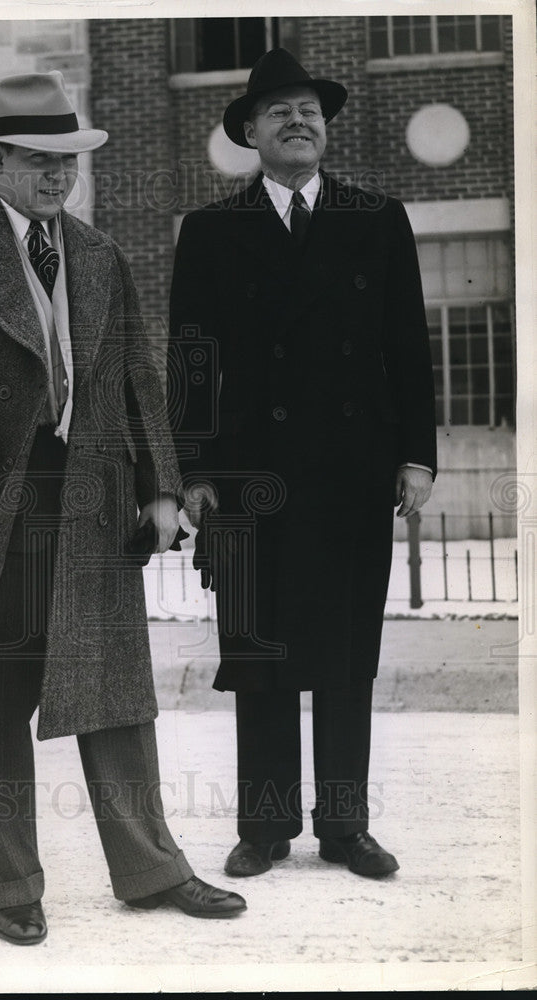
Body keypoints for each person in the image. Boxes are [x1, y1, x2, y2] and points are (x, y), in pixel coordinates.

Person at [0, 71, 245, 945]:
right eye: (38, 160)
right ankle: (14, 887)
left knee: (115, 692)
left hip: (94, 499)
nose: (56, 177)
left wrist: (160, 485)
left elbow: (135, 378)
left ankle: (151, 871)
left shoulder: (98, 252)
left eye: (67, 161)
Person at [167, 49, 436, 881]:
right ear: (248, 132)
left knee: (348, 656)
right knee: (260, 654)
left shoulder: (376, 216)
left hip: (352, 472)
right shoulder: (211, 231)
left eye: (310, 110)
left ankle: (345, 827)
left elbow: (407, 347)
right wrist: (198, 471)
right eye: (278, 111)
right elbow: (192, 360)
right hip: (250, 479)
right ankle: (265, 825)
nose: (298, 122)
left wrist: (416, 456)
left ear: (325, 128)